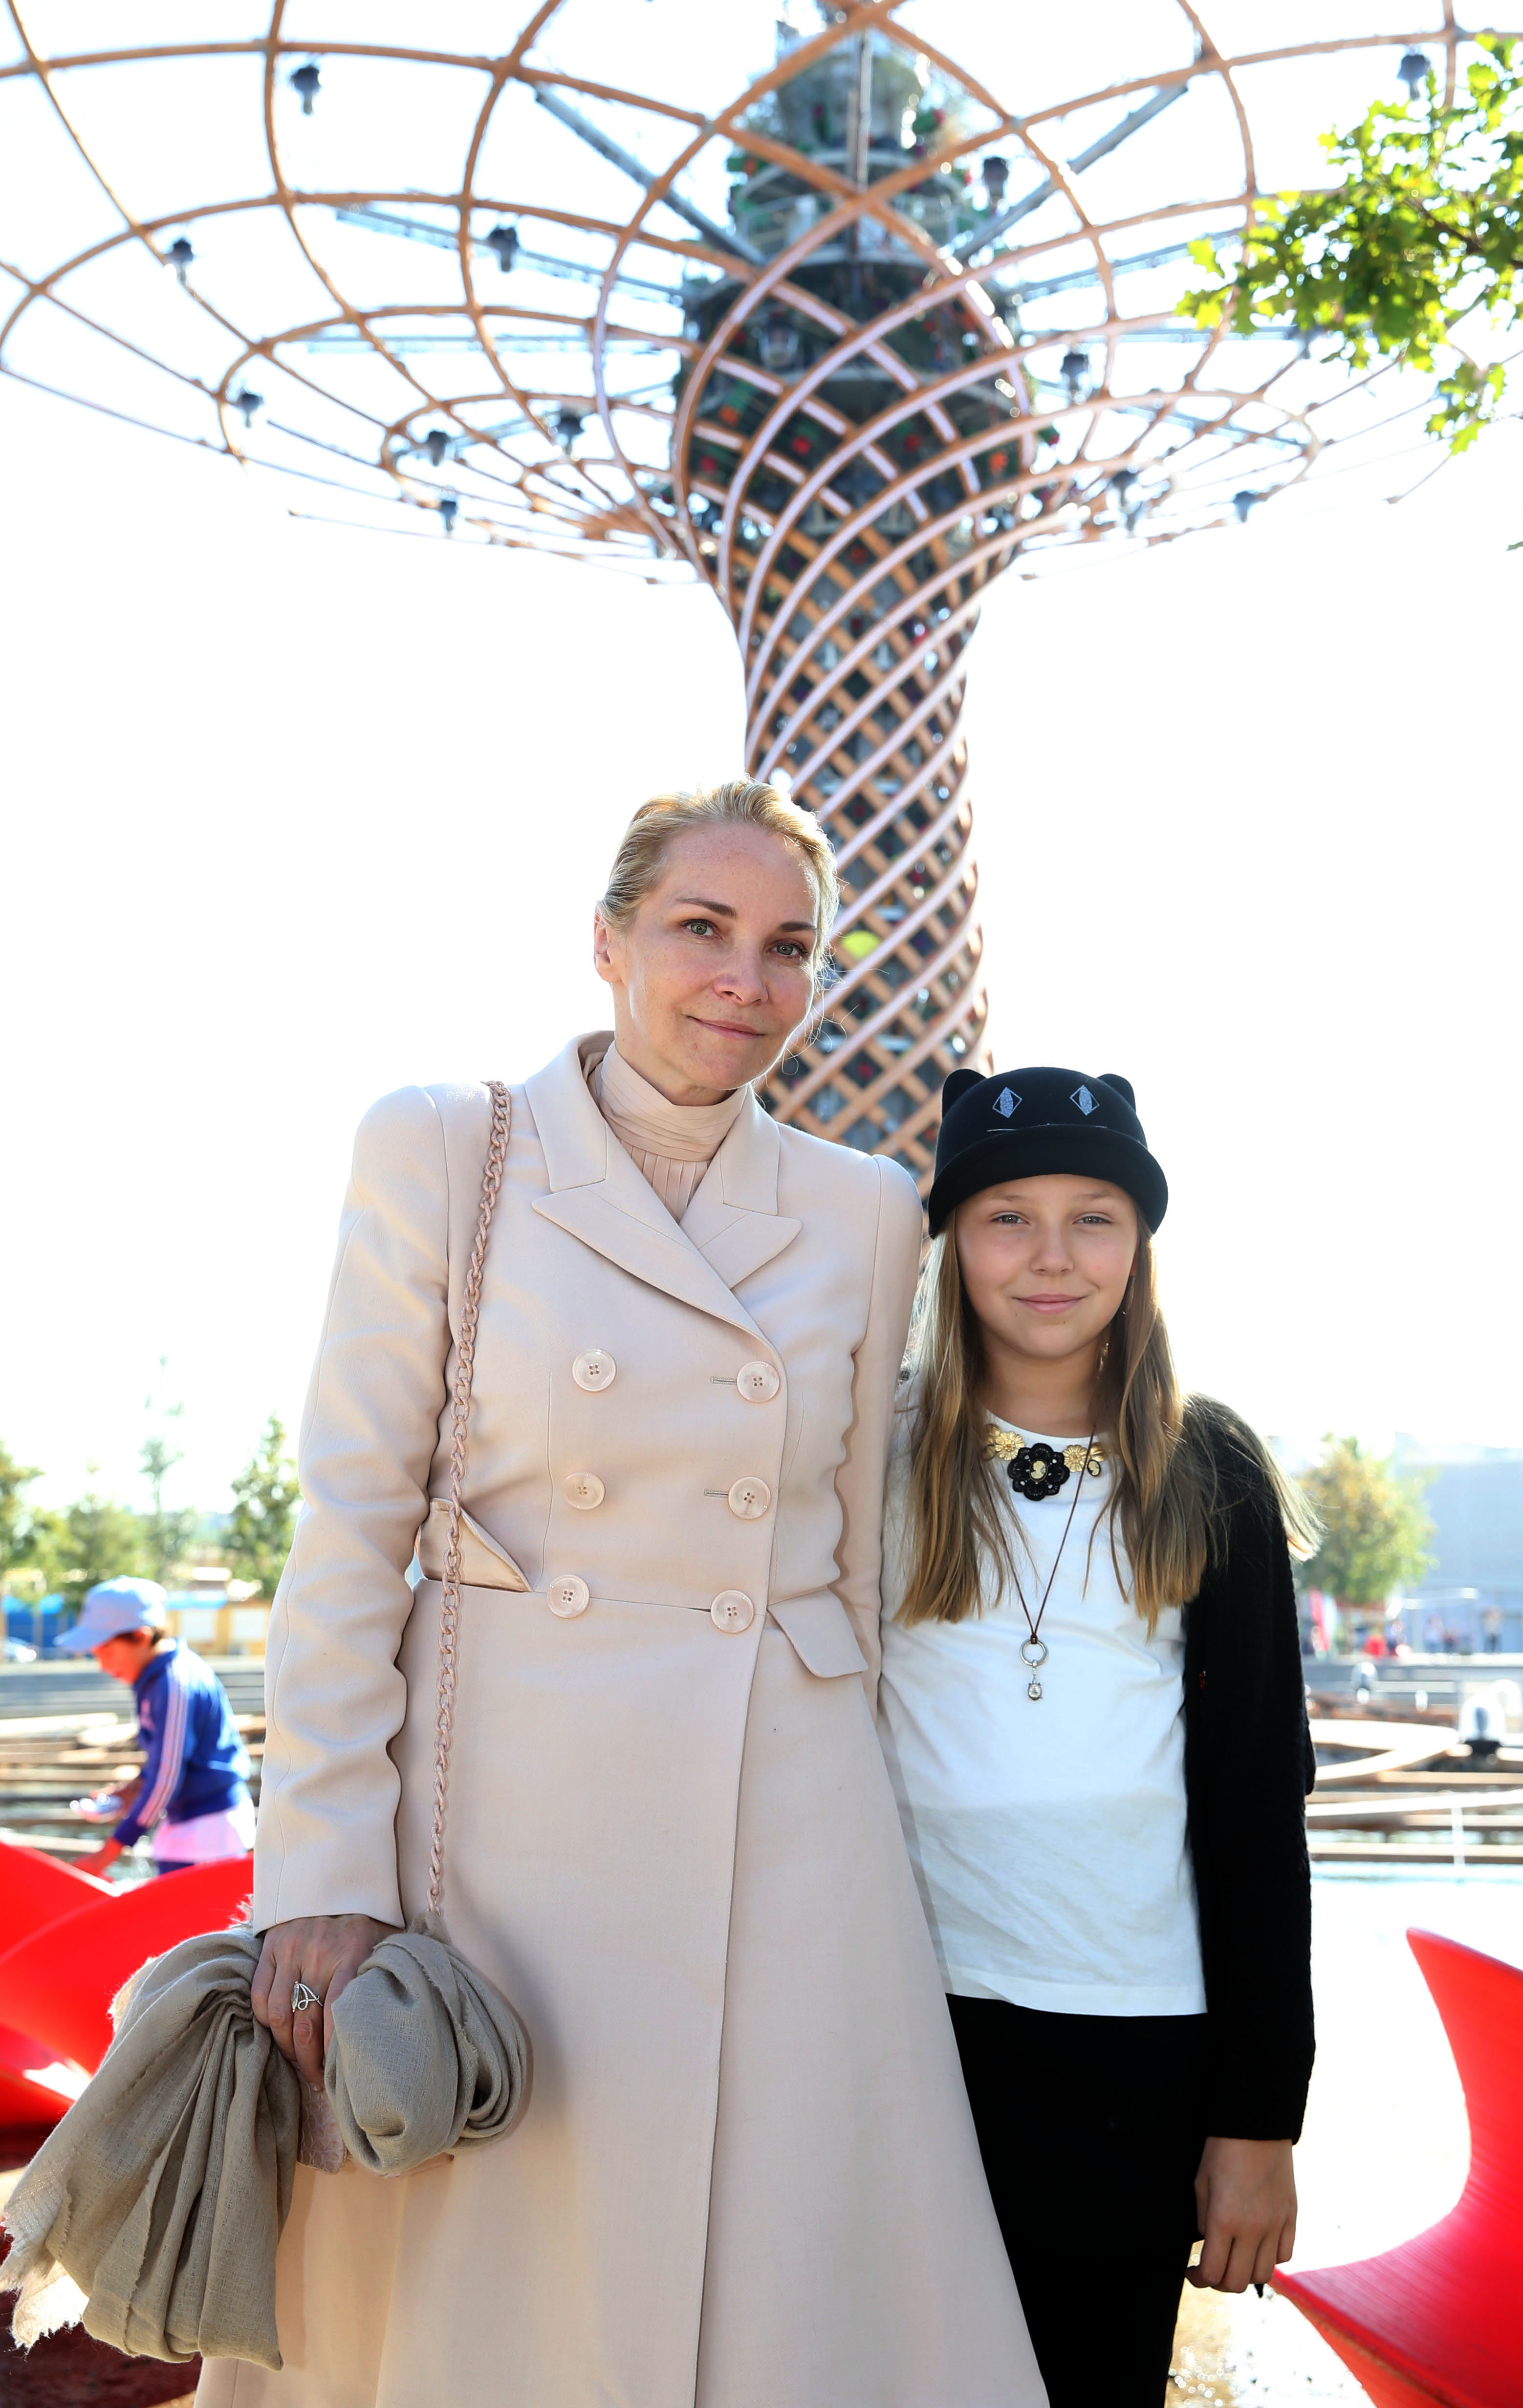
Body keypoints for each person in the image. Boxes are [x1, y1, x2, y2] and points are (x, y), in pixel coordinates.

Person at [209, 780, 1044, 2408]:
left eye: (788, 945)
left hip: (783, 1823)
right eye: (700, 927)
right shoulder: (444, 1146)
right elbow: (352, 1524)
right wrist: (320, 1860)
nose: (745, 978)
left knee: (788, 2287)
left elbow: (850, 1565)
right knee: (497, 2274)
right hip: (497, 1824)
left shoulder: (868, 1209)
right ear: (605, 942)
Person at [877, 1065, 1318, 2407]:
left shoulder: (1206, 1470)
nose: (1052, 1257)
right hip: (905, 2028)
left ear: (1140, 1246)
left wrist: (1259, 2122)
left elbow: (1257, 1809)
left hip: (1133, 2051)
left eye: (1095, 1218)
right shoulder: (865, 1455)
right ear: (951, 1243)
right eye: (1007, 1217)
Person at [56, 1575, 254, 1873]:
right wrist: (133, 1788)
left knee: (193, 1903)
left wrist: (107, 1854)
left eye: (107, 1653)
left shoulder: (174, 1683)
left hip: (208, 1827)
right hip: (187, 1818)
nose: (103, 1666)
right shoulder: (153, 1678)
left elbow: (167, 1777)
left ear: (141, 1637)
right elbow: (164, 1759)